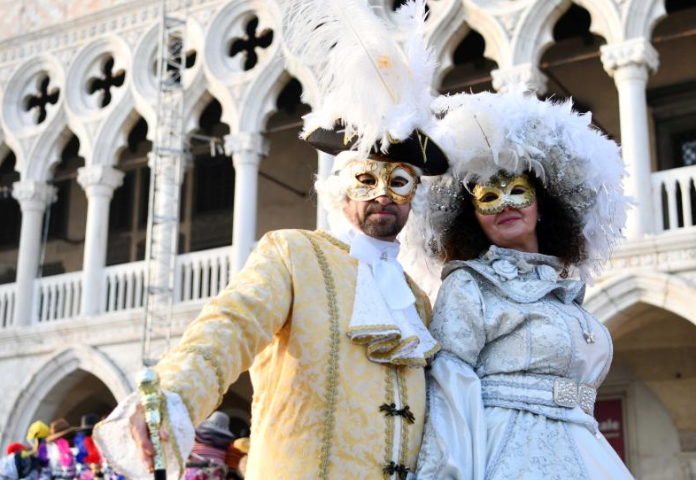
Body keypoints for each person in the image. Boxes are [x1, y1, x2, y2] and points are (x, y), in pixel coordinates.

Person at [94, 1, 448, 479]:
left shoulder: (418, 303)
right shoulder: (293, 256)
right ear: (341, 190)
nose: (383, 195)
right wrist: (173, 395)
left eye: (400, 182)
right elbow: (230, 326)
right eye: (367, 180)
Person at [408, 87, 634, 479]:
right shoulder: (469, 284)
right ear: (472, 217)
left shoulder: (564, 294)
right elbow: (448, 389)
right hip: (509, 452)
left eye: (518, 192)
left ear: (541, 203)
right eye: (488, 197)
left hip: (584, 447)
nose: (506, 205)